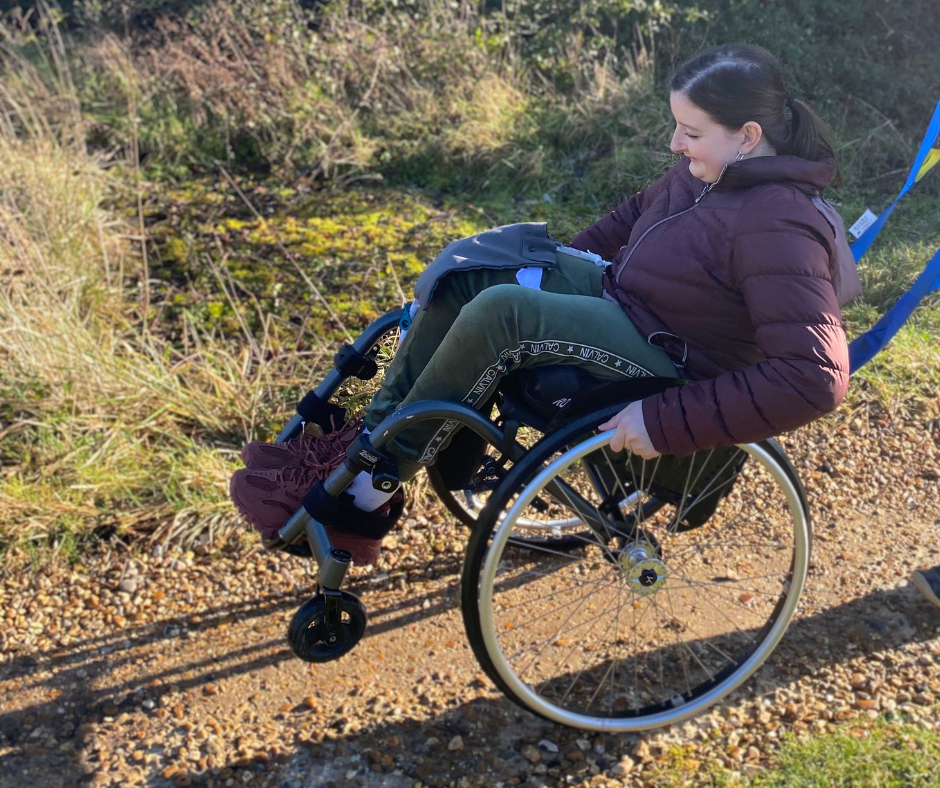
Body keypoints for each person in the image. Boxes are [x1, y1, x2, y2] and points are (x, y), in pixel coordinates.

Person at [230, 43, 858, 566]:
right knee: (475, 273)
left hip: (672, 363)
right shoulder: (705, 173)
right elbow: (625, 222)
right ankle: (362, 449)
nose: (674, 143)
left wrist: (665, 421)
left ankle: (366, 491)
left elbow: (814, 378)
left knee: (506, 313)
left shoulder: (778, 222)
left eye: (690, 131)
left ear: (748, 136)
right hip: (626, 308)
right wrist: (537, 268)